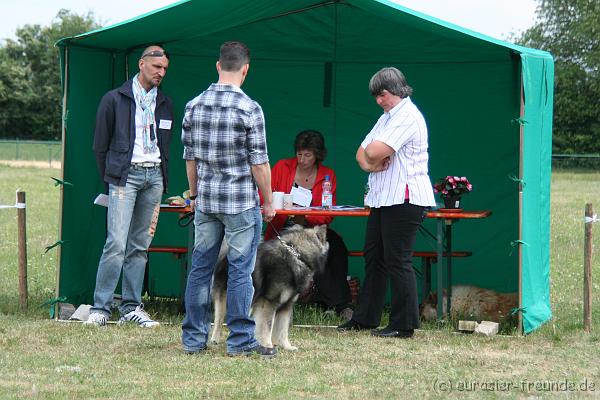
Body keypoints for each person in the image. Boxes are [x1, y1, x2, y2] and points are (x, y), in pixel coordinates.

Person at [181, 41, 277, 358]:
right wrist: (268, 201)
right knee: (240, 272)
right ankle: (239, 341)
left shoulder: (194, 105)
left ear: (218, 65)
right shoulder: (250, 109)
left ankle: (193, 339)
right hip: (240, 203)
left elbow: (190, 158)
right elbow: (259, 164)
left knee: (200, 270)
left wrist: (194, 194)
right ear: (245, 69)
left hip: (207, 202)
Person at [337, 67, 436, 338]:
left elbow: (373, 150)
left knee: (398, 260)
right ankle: (366, 317)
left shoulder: (407, 116)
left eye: (382, 94)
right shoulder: (387, 118)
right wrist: (372, 163)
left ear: (397, 89)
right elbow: (361, 155)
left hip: (405, 198)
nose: (379, 100)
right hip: (383, 198)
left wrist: (372, 158)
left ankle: (404, 324)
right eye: (376, 96)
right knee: (375, 258)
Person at [85, 45, 172, 327]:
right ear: (142, 64)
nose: (161, 73)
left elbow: (166, 143)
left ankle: (132, 307)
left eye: (165, 69)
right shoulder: (114, 99)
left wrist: (161, 175)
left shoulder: (165, 102)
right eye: (157, 67)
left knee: (139, 246)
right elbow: (100, 146)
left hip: (154, 177)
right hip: (125, 176)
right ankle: (100, 308)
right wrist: (111, 177)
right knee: (116, 244)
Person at [265, 129, 353, 320]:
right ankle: (330, 301)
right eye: (299, 154)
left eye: (307, 155)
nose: (302, 159)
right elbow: (267, 196)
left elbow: (327, 216)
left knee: (337, 247)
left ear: (317, 155)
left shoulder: (327, 175)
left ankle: (339, 304)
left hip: (313, 227)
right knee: (312, 248)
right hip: (284, 227)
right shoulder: (282, 167)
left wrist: (306, 213)